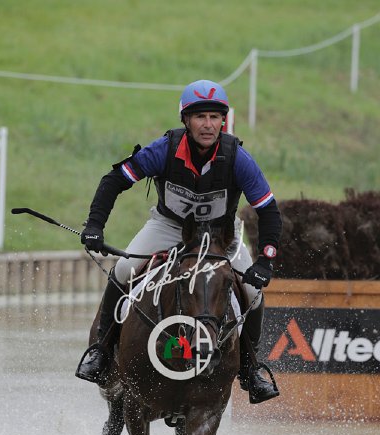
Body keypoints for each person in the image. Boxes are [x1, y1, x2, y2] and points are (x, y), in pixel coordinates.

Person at [76, 79, 282, 403]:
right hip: (169, 227)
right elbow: (114, 180)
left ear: (223, 121)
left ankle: (250, 368)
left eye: (215, 117)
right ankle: (101, 351)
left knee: (254, 292)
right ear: (186, 120)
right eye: (200, 117)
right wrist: (94, 226)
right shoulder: (164, 150)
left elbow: (268, 210)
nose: (208, 125)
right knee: (123, 270)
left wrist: (265, 261)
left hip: (221, 235)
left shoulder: (238, 158)